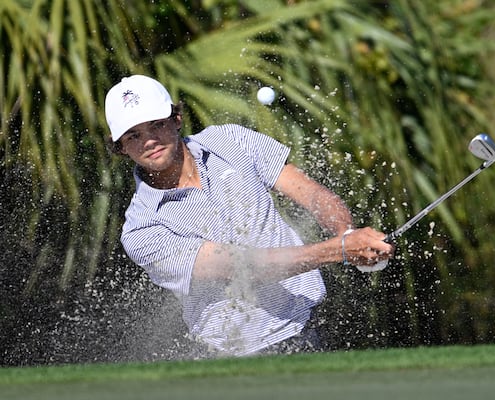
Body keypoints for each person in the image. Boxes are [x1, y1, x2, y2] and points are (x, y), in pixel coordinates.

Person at [104, 74, 394, 357]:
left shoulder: (230, 140)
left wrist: (346, 232)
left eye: (156, 125)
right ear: (121, 147)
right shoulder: (141, 230)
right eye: (133, 135)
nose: (149, 141)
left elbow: (311, 194)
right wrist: (340, 250)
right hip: (238, 355)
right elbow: (241, 268)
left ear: (176, 120)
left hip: (309, 322)